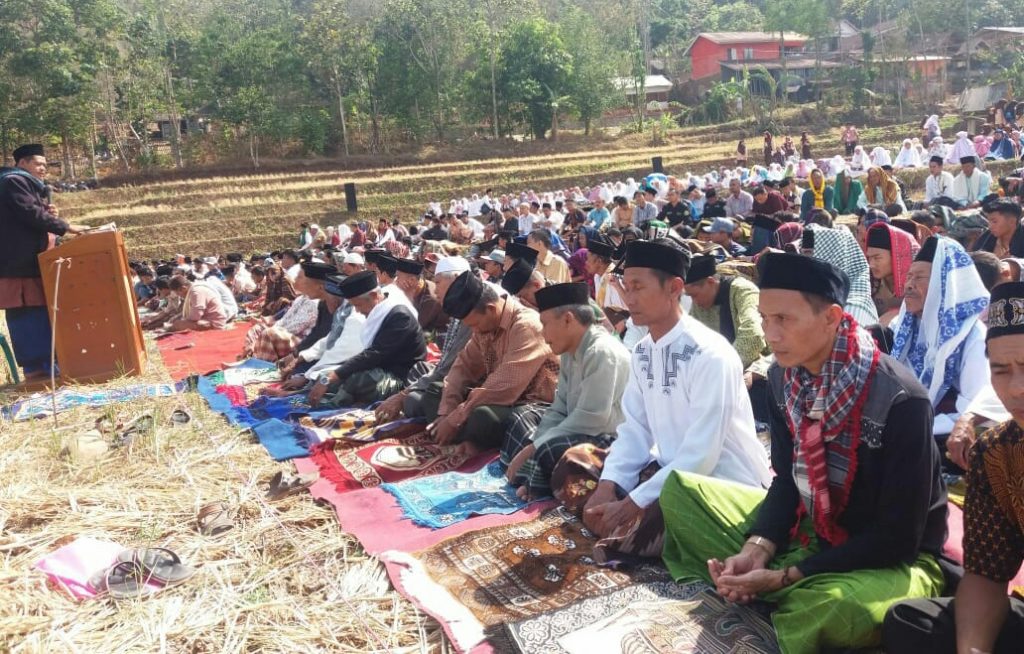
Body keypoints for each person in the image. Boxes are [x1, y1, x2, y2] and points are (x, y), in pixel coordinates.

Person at [662, 251, 948, 654]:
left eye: (783, 319)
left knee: (835, 608)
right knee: (679, 491)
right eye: (764, 319)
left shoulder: (900, 398)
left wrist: (786, 575)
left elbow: (899, 537)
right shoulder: (782, 379)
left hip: (892, 557)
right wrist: (756, 547)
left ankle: (785, 588)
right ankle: (774, 582)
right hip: (812, 528)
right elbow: (785, 481)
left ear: (831, 317)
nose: (770, 335)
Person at [561, 238, 770, 563]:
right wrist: (608, 485)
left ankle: (627, 529)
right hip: (663, 471)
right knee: (574, 461)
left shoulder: (711, 354)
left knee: (662, 513)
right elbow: (635, 430)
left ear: (674, 288)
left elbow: (701, 457)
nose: (628, 298)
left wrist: (632, 503)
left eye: (638, 287)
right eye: (625, 287)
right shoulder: (643, 351)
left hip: (715, 484)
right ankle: (623, 525)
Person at [883, 281, 1024, 654]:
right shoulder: (996, 453)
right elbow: (986, 573)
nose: (1016, 388)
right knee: (912, 624)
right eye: (1001, 370)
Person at [501, 282, 631, 501]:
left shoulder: (601, 352)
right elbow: (559, 407)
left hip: (609, 439)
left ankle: (535, 483)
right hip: (578, 428)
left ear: (568, 319)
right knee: (522, 417)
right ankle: (533, 474)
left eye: (545, 324)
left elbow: (592, 418)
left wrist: (536, 447)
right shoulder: (571, 352)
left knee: (550, 448)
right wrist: (535, 442)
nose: (543, 334)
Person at [428, 271, 559, 456]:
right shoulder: (484, 327)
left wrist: (455, 419)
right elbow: (463, 367)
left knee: (483, 417)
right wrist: (446, 412)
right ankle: (466, 438)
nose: (474, 330)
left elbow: (505, 386)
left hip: (530, 405)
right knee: (435, 391)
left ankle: (471, 442)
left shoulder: (527, 325)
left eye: (474, 324)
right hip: (497, 399)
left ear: (490, 309)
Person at [0, 144, 89, 380]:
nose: (43, 169)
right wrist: (65, 226)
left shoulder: (25, 184)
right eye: (38, 164)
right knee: (27, 314)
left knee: (40, 313)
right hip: (19, 265)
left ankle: (49, 364)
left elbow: (32, 216)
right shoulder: (13, 181)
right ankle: (37, 369)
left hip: (32, 263)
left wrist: (49, 214)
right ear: (22, 163)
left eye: (45, 165)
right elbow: (30, 213)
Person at [891, 236, 994, 442]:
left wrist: (916, 429)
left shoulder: (972, 336)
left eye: (919, 277)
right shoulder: (898, 326)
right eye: (909, 276)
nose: (909, 285)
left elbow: (975, 408)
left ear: (945, 284)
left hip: (949, 437)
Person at [307, 270, 426, 408]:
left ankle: (331, 408)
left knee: (356, 379)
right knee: (330, 376)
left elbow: (374, 355)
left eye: (358, 305)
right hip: (379, 369)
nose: (357, 311)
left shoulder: (400, 316)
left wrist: (334, 375)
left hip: (401, 380)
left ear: (374, 296)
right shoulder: (380, 311)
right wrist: (331, 376)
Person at [375, 257, 474, 422]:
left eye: (438, 282)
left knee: (413, 401)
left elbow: (448, 367)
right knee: (420, 368)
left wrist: (403, 395)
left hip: (465, 380)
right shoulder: (458, 305)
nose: (436, 288)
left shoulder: (470, 312)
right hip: (447, 368)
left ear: (456, 280)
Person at [683, 254, 769, 370]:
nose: (694, 302)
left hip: (758, 366)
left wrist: (722, 368)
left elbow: (753, 334)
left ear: (710, 282)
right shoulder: (699, 303)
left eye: (694, 295)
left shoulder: (743, 290)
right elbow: (690, 338)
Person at [801, 225, 880, 326]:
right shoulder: (822, 300)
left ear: (832, 258)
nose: (805, 265)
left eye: (811, 255)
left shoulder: (853, 309)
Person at [866, 222, 920, 326]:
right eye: (869, 258)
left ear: (897, 257)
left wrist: (898, 313)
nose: (871, 265)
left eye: (877, 258)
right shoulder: (870, 284)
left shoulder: (917, 284)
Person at [394, 258, 448, 335]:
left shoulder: (430, 298)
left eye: (398, 277)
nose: (396, 281)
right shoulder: (414, 287)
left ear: (411, 280)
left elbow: (410, 327)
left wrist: (408, 296)